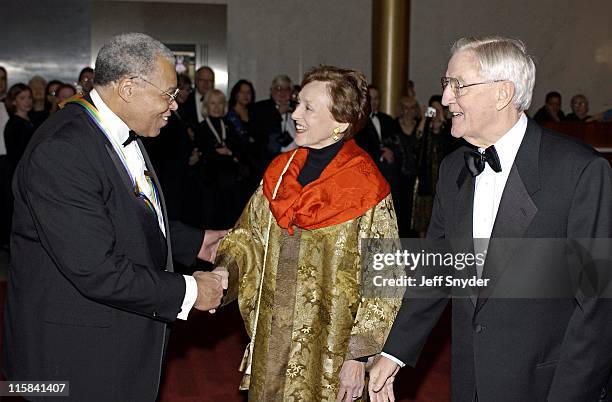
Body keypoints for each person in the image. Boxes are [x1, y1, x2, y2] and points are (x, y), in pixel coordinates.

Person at [369, 36, 612, 402]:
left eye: (459, 85)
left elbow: (596, 308)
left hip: (545, 385)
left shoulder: (579, 171)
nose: (446, 98)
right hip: (470, 380)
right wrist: (394, 352)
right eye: (445, 84)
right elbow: (437, 270)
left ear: (503, 94)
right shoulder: (453, 170)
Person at [3, 32, 228, 402]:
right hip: (72, 361)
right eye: (169, 94)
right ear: (127, 87)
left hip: (106, 346)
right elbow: (95, 269)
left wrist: (195, 241)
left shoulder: (117, 129)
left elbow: (121, 213)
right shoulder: (63, 150)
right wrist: (191, 292)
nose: (175, 106)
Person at [215, 65, 401, 401]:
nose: (295, 113)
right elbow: (247, 237)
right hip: (274, 344)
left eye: (308, 108)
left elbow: (385, 276)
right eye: (298, 104)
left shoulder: (367, 187)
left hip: (332, 352)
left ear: (340, 123)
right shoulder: (279, 171)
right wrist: (222, 271)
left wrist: (359, 355)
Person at [195, 89, 246, 229]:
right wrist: (221, 153)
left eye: (220, 103)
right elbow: (203, 152)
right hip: (211, 182)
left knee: (231, 219)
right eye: (212, 103)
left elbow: (240, 149)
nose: (216, 107)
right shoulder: (201, 127)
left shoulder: (229, 125)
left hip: (230, 182)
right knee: (212, 220)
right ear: (206, 106)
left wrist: (227, 152)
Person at [250, 74, 297, 174]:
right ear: (272, 91)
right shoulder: (261, 108)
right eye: (278, 88)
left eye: (287, 89)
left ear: (291, 92)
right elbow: (258, 133)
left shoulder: (297, 109)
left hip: (294, 162)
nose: (283, 92)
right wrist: (278, 113)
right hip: (270, 163)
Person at [3, 83, 35, 175]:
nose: (27, 101)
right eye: (22, 98)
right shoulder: (15, 125)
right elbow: (17, 155)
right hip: (19, 171)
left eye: (29, 97)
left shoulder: (30, 120)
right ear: (13, 101)